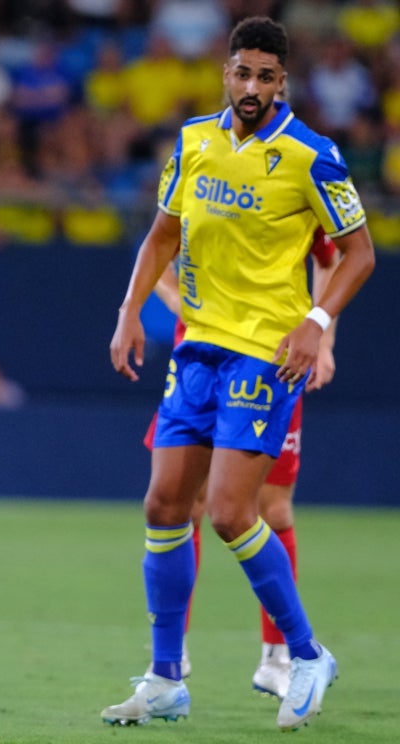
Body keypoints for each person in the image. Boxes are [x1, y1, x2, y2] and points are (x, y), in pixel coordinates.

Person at [105, 17, 374, 731]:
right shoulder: (195, 141)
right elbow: (164, 232)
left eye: (265, 76)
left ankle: (305, 653)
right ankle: (166, 678)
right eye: (241, 72)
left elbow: (358, 252)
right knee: (164, 507)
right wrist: (131, 310)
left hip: (265, 355)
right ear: (226, 72)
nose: (251, 86)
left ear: (282, 82)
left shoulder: (311, 156)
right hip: (198, 350)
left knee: (230, 513)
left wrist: (317, 327)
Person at [144, 229, 341, 699]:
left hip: (270, 360)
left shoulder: (294, 166)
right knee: (177, 507)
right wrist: (175, 302)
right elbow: (156, 248)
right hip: (198, 361)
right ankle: (169, 663)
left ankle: (280, 658)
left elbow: (333, 257)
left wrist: (324, 338)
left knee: (268, 510)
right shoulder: (198, 165)